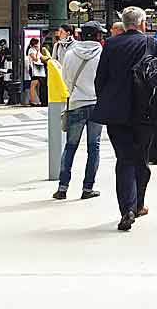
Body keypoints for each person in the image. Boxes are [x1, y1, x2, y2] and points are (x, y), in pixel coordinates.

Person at [91, 7, 157, 232]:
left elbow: (100, 79)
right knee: (141, 158)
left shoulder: (111, 45)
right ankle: (139, 203)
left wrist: (107, 100)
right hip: (145, 113)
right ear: (143, 23)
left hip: (117, 112)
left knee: (124, 159)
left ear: (124, 24)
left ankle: (127, 209)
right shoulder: (155, 45)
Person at [54, 21, 105, 201]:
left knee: (70, 146)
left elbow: (65, 80)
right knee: (94, 147)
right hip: (97, 104)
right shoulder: (103, 54)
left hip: (76, 103)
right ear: (99, 36)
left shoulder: (69, 54)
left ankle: (62, 187)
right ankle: (87, 188)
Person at [26, 38, 45, 106]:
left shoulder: (37, 50)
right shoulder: (31, 50)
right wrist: (37, 52)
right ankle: (32, 100)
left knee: (37, 85)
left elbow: (42, 57)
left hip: (38, 69)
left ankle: (36, 100)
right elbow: (35, 59)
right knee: (33, 85)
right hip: (34, 69)